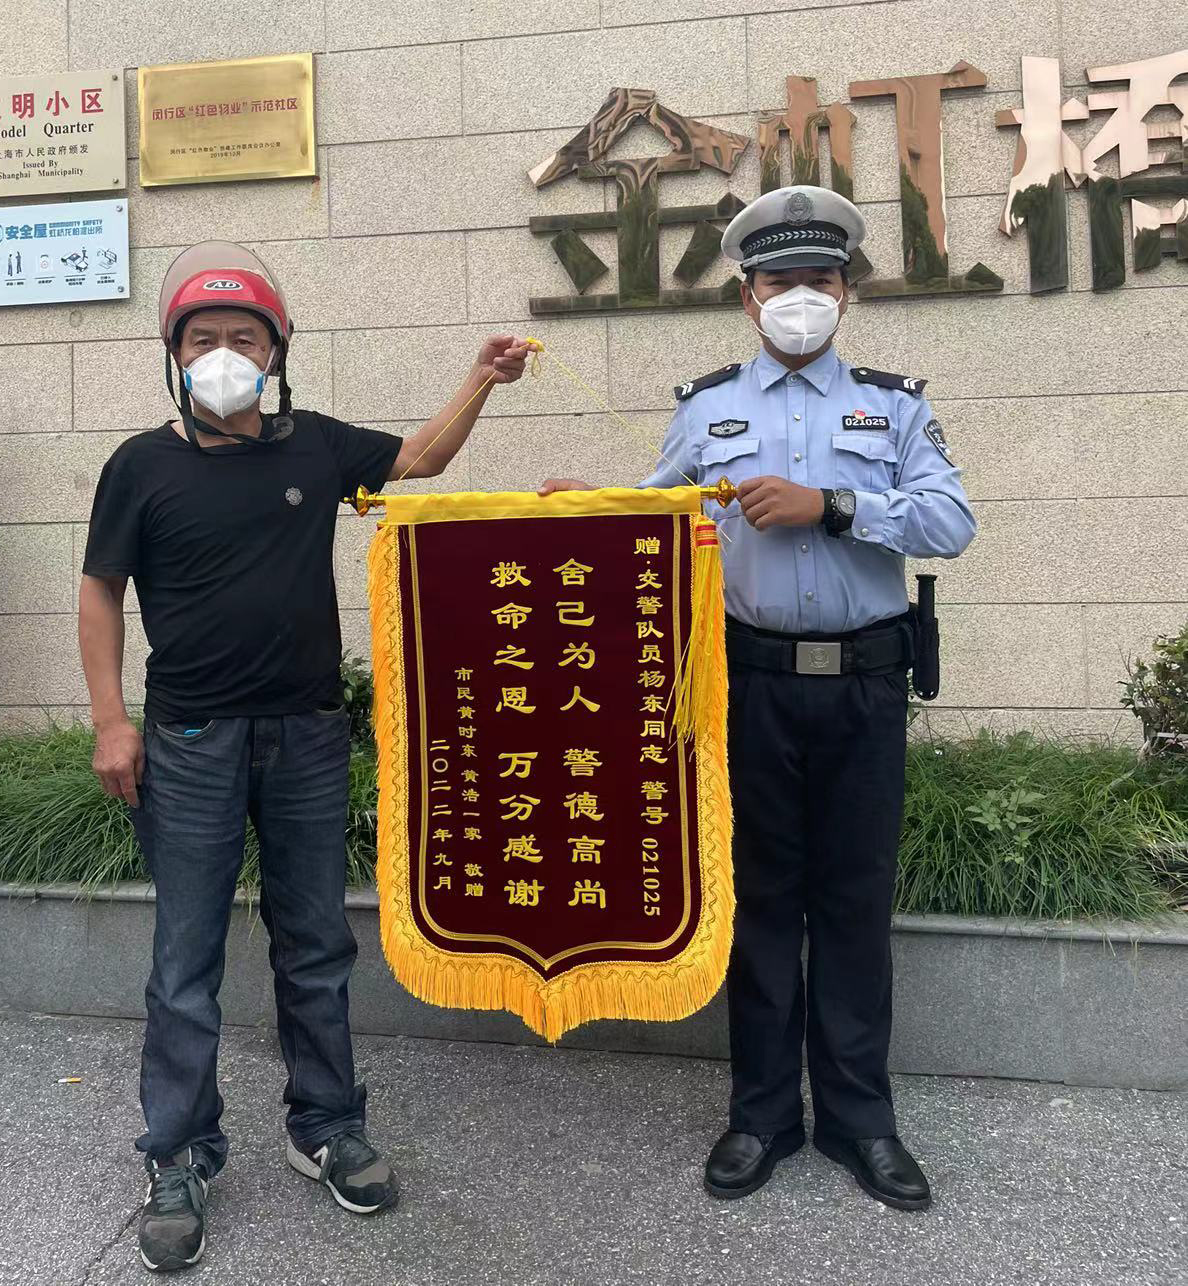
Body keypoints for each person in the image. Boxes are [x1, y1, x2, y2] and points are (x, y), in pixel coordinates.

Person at [79, 240, 530, 1272]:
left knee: (317, 944)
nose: (223, 354)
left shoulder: (314, 446)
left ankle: (326, 1123)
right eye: (203, 338)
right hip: (191, 740)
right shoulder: (140, 466)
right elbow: (101, 589)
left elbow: (419, 460)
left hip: (307, 736)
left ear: (276, 351)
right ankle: (178, 1153)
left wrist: (480, 378)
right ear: (173, 355)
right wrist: (111, 718)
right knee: (184, 958)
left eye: (244, 337)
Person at [540, 186, 975, 1210]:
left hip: (864, 686)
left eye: (818, 280)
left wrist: (835, 505)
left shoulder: (894, 405)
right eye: (780, 283)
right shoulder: (707, 408)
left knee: (856, 903)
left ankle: (862, 1121)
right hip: (751, 688)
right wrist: (586, 509)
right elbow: (658, 514)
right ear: (748, 298)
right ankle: (764, 1116)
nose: (799, 298)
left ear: (846, 292)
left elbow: (951, 522)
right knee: (762, 902)